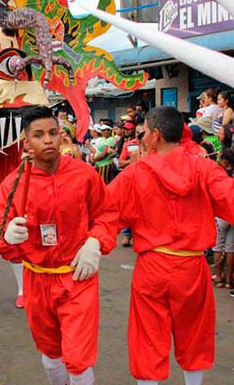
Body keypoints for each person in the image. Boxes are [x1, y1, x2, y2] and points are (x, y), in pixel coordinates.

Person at [0, 106, 118, 385]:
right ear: (26, 144)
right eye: (39, 134)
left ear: (61, 136)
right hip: (36, 278)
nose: (48, 140)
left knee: (78, 358)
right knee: (50, 351)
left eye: (53, 133)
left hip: (77, 276)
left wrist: (95, 242)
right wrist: (6, 234)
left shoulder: (84, 175)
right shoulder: (14, 183)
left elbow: (107, 214)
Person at [109, 106, 234, 385]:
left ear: (155, 135)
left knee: (148, 337)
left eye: (143, 133)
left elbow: (104, 211)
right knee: (195, 334)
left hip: (152, 267)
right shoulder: (204, 168)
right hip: (192, 267)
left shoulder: (137, 172)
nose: (141, 138)